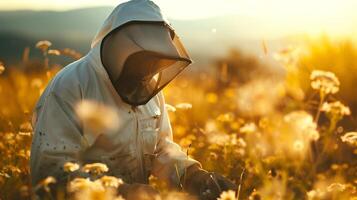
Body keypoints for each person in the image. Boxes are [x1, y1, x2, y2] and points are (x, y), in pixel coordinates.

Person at [30, 0, 236, 199]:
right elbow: (51, 171)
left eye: (156, 61)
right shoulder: (71, 85)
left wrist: (193, 176)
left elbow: (161, 149)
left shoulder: (149, 89)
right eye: (143, 59)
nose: (149, 69)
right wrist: (120, 193)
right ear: (118, 49)